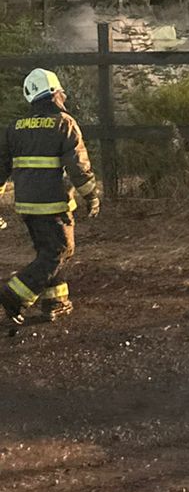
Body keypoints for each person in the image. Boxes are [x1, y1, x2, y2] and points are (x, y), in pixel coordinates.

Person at [0, 69, 101, 327]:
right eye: (61, 92)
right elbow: (78, 167)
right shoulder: (64, 123)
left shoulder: (15, 128)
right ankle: (14, 295)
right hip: (53, 204)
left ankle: (55, 302)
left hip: (25, 205)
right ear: (55, 94)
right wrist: (92, 196)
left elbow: (1, 170)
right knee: (60, 251)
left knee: (48, 251)